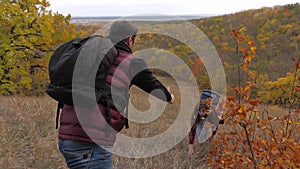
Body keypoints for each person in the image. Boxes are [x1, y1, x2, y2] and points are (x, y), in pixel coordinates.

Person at [58, 20, 175, 169]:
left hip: (66, 138)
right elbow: (152, 85)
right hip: (90, 144)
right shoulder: (130, 62)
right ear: (129, 40)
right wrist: (169, 96)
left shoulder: (92, 55)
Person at [188, 90, 223, 159]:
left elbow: (216, 126)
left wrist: (211, 138)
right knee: (201, 137)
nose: (201, 113)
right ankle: (202, 148)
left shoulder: (212, 114)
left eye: (203, 111)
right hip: (200, 121)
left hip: (209, 121)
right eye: (199, 110)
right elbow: (192, 131)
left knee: (208, 137)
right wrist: (190, 149)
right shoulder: (196, 114)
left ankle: (208, 149)